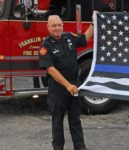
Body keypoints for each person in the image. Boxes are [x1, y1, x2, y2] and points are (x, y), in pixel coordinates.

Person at [38, 15, 93, 150]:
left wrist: (93, 23)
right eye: (54, 26)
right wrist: (67, 85)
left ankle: (80, 147)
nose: (57, 28)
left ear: (62, 26)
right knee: (57, 122)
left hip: (74, 86)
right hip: (58, 89)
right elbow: (51, 70)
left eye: (59, 25)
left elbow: (85, 39)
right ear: (48, 27)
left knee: (75, 120)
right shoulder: (45, 46)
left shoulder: (69, 37)